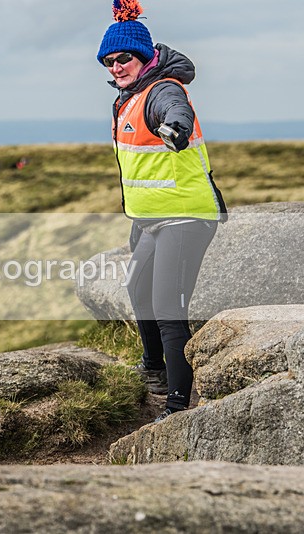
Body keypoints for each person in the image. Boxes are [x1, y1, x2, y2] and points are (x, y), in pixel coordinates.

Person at [96, 1, 227, 422]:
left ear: (145, 57)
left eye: (124, 58)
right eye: (109, 61)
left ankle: (176, 405)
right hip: (152, 221)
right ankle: (153, 369)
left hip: (186, 218)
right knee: (138, 290)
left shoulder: (161, 90)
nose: (116, 66)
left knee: (168, 307)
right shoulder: (127, 98)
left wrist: (176, 128)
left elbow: (177, 111)